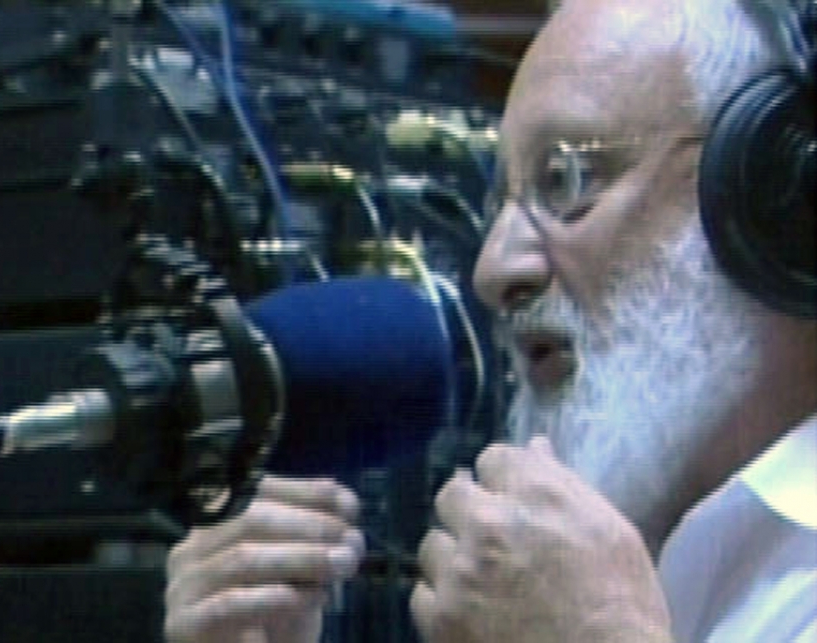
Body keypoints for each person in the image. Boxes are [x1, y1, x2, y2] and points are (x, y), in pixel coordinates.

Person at [164, 0, 817, 641]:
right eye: (497, 203)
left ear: (781, 192)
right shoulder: (597, 566)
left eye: (566, 178)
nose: (492, 270)